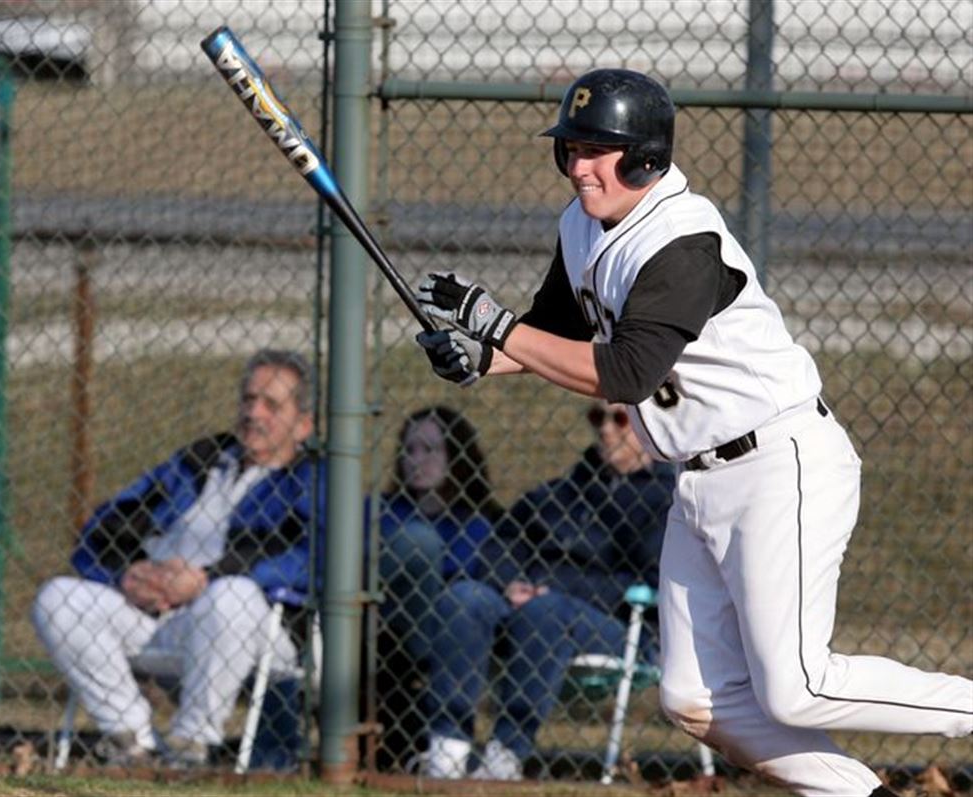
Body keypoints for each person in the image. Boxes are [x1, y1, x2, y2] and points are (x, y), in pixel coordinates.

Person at [413, 69, 972, 795]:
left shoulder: (684, 239)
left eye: (597, 150)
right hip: (698, 477)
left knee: (796, 687)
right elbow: (555, 331)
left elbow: (626, 373)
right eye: (571, 149)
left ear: (644, 156)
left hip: (779, 462)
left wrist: (498, 328)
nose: (579, 166)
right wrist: (481, 358)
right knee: (693, 697)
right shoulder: (581, 224)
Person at [32, 349, 324, 770]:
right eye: (248, 399)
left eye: (271, 404)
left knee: (231, 596)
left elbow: (312, 557)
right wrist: (129, 572)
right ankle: (132, 740)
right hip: (165, 616)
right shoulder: (202, 460)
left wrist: (206, 579)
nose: (252, 413)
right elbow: (106, 526)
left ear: (303, 425)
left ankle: (189, 747)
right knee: (57, 599)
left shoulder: (313, 476)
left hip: (260, 626)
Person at [420, 401, 674, 780]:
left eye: (619, 418)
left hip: (615, 624)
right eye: (596, 418)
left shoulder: (667, 501)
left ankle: (506, 754)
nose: (606, 430)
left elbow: (650, 579)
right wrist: (511, 582)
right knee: (465, 598)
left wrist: (548, 589)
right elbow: (499, 546)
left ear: (647, 422)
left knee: (547, 610)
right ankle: (448, 747)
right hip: (527, 603)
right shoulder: (561, 492)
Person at [371, 405, 502, 771]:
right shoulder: (382, 511)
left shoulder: (479, 521)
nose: (416, 460)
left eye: (430, 450)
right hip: (384, 623)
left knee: (420, 544)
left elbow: (469, 575)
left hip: (444, 631)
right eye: (409, 450)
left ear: (457, 455)